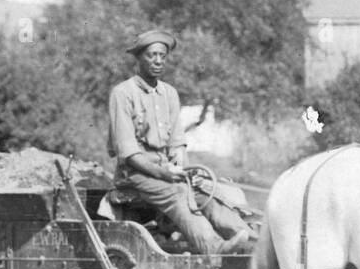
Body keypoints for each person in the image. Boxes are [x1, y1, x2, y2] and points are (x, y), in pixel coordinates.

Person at [107, 29, 255, 254]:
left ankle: (249, 241)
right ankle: (213, 247)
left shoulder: (169, 94)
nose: (158, 61)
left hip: (167, 171)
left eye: (162, 56)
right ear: (138, 58)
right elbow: (129, 153)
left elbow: (177, 142)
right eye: (151, 55)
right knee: (178, 193)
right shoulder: (123, 93)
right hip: (135, 175)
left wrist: (182, 168)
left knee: (207, 192)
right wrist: (163, 174)